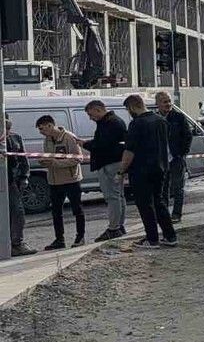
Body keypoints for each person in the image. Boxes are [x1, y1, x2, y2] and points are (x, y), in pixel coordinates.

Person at [119, 94, 176, 247]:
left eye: (128, 109)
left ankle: (152, 239)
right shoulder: (160, 121)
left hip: (141, 170)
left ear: (132, 107)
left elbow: (129, 151)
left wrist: (121, 171)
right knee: (159, 202)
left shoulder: (137, 124)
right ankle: (170, 236)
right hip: (161, 168)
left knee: (145, 205)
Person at [80, 100, 128, 242]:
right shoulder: (113, 121)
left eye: (91, 114)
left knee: (112, 197)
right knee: (119, 196)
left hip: (109, 163)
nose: (90, 118)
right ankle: (119, 225)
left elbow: (103, 145)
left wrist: (86, 144)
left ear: (98, 109)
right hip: (114, 162)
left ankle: (114, 228)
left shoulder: (110, 123)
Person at [36, 114, 86, 249]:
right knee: (56, 211)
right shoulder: (47, 139)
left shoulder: (68, 137)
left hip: (71, 179)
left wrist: (56, 163)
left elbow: (78, 158)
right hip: (54, 180)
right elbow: (50, 156)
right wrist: (45, 161)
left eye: (42, 129)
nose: (41, 132)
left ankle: (80, 237)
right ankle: (59, 239)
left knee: (77, 209)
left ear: (50, 125)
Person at [156, 92, 192, 222]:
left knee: (178, 187)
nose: (168, 104)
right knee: (162, 189)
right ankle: (164, 215)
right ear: (158, 104)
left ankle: (177, 214)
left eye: (169, 101)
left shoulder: (178, 117)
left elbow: (188, 135)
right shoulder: (155, 119)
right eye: (164, 102)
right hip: (161, 160)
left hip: (176, 158)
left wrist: (182, 153)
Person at [5, 113, 36, 257]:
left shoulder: (15, 138)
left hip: (12, 182)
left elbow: (23, 160)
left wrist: (24, 177)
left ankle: (16, 243)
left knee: (17, 212)